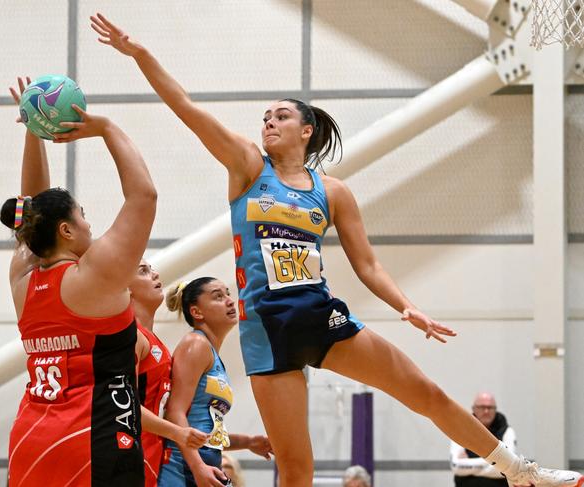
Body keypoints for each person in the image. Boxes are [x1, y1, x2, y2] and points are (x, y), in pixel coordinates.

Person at [90, 13, 584, 487]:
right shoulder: (246, 168)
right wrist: (139, 53)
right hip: (266, 328)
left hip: (320, 315)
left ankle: (517, 470)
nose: (269, 122)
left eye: (281, 115)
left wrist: (407, 307)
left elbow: (366, 263)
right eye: (264, 116)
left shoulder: (332, 191)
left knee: (425, 393)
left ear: (306, 131)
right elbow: (187, 107)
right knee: (296, 467)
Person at [3, 77, 157, 486]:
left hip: (31, 440)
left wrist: (34, 132)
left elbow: (32, 212)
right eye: (83, 215)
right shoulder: (95, 278)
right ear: (67, 231)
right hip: (92, 441)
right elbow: (143, 196)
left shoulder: (22, 274)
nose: (90, 224)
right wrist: (106, 128)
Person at [158, 278, 272, 487]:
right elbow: (175, 411)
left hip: (202, 466)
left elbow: (207, 433)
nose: (229, 301)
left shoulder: (211, 353)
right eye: (218, 297)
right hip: (181, 467)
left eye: (228, 293)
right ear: (197, 312)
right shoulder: (195, 344)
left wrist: (247, 442)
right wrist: (197, 466)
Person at [131, 260, 209, 486]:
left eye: (151, 268)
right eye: (143, 271)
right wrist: (177, 433)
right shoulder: (131, 336)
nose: (155, 274)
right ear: (124, 288)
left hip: (152, 458)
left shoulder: (156, 343)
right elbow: (125, 406)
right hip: (129, 457)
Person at [451, 393, 517, 487]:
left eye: (490, 407)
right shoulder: (461, 430)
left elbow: (509, 467)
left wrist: (467, 464)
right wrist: (498, 463)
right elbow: (456, 466)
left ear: (495, 409)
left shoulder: (507, 431)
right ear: (474, 409)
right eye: (482, 407)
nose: (486, 411)